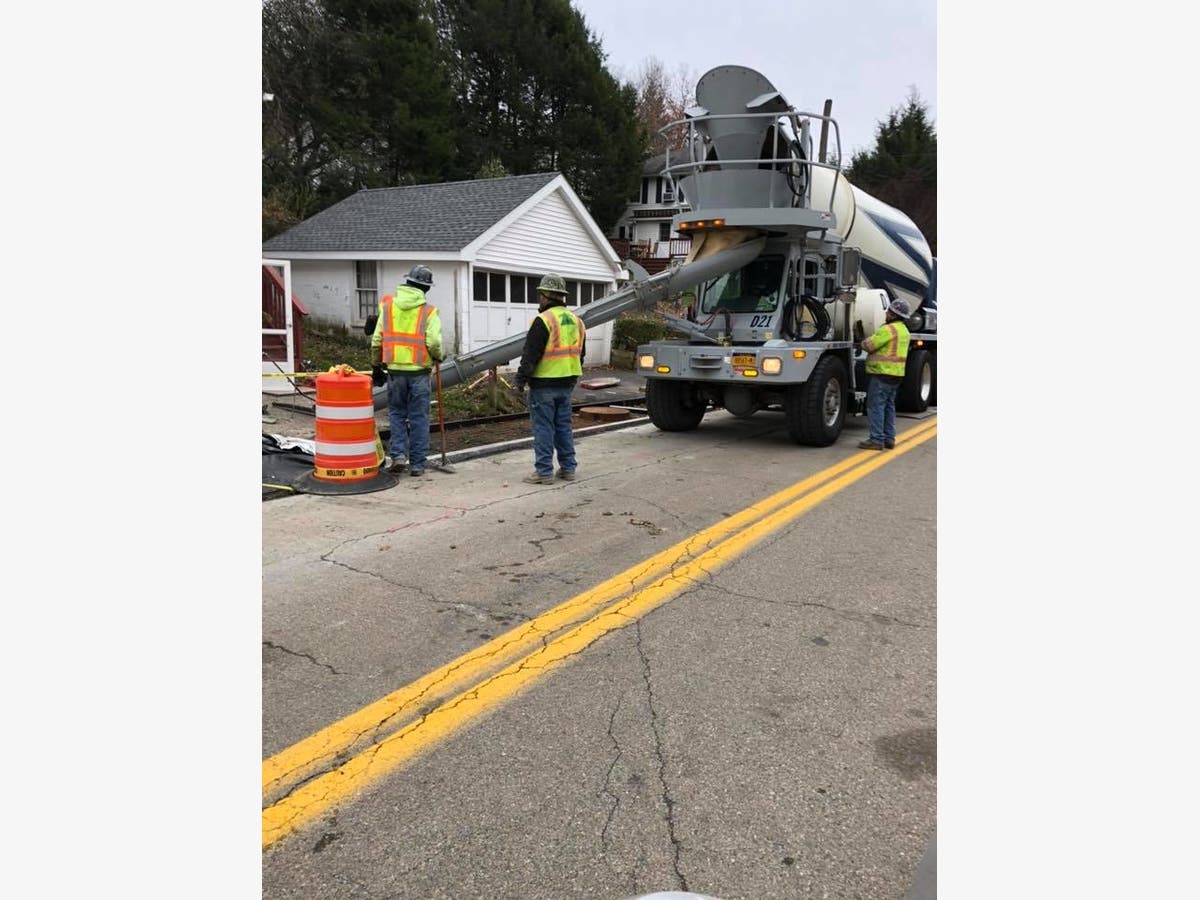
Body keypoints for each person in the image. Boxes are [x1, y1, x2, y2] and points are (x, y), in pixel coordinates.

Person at [370, 264, 443, 476]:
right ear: (426, 288)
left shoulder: (388, 307)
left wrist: (376, 366)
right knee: (419, 417)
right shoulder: (429, 311)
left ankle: (398, 455)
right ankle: (418, 464)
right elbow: (435, 342)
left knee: (397, 414)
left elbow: (376, 340)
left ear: (407, 282)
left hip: (394, 372)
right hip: (419, 374)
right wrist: (438, 356)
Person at [513, 274, 586, 485]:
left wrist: (520, 380)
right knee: (563, 426)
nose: (539, 300)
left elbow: (531, 354)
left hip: (544, 383)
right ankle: (568, 469)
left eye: (540, 296)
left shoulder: (543, 320)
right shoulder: (577, 321)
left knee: (543, 428)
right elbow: (580, 354)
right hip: (567, 382)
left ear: (545, 296)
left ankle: (544, 472)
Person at [858, 297, 911, 451]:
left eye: (888, 311)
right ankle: (889, 439)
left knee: (876, 407)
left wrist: (861, 341)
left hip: (882, 373)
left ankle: (876, 440)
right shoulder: (904, 331)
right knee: (889, 406)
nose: (886, 313)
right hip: (896, 375)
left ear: (894, 314)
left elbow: (870, 345)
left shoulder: (888, 330)